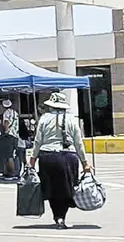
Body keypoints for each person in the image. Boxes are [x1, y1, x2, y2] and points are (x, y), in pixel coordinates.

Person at [29, 92, 93, 229]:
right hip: (69, 157)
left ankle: (57, 216)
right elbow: (78, 143)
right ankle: (62, 216)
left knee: (52, 189)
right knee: (67, 188)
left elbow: (38, 141)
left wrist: (32, 160)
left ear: (51, 106)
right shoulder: (72, 119)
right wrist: (85, 163)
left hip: (48, 157)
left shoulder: (44, 119)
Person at [0, 99, 20, 179]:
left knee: (9, 156)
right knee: (15, 154)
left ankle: (11, 173)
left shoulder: (6, 113)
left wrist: (6, 130)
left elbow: (6, 122)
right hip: (16, 135)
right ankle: (16, 172)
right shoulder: (15, 113)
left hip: (9, 135)